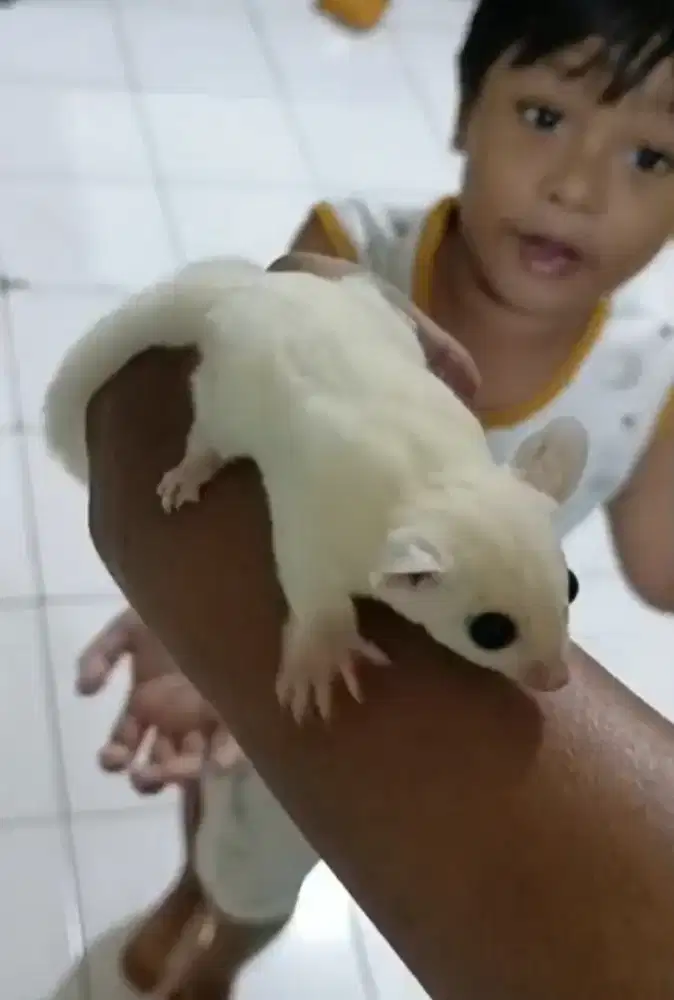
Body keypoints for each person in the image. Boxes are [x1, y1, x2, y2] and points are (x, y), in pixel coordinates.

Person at [53, 0, 674, 995]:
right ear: (463, 111)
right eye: (546, 117)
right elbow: (246, 416)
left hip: (380, 719)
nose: (578, 186)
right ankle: (174, 927)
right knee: (217, 837)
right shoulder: (354, 255)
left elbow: (659, 571)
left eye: (653, 157)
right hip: (272, 633)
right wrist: (187, 612)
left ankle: (209, 947)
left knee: (266, 877)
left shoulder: (644, 379)